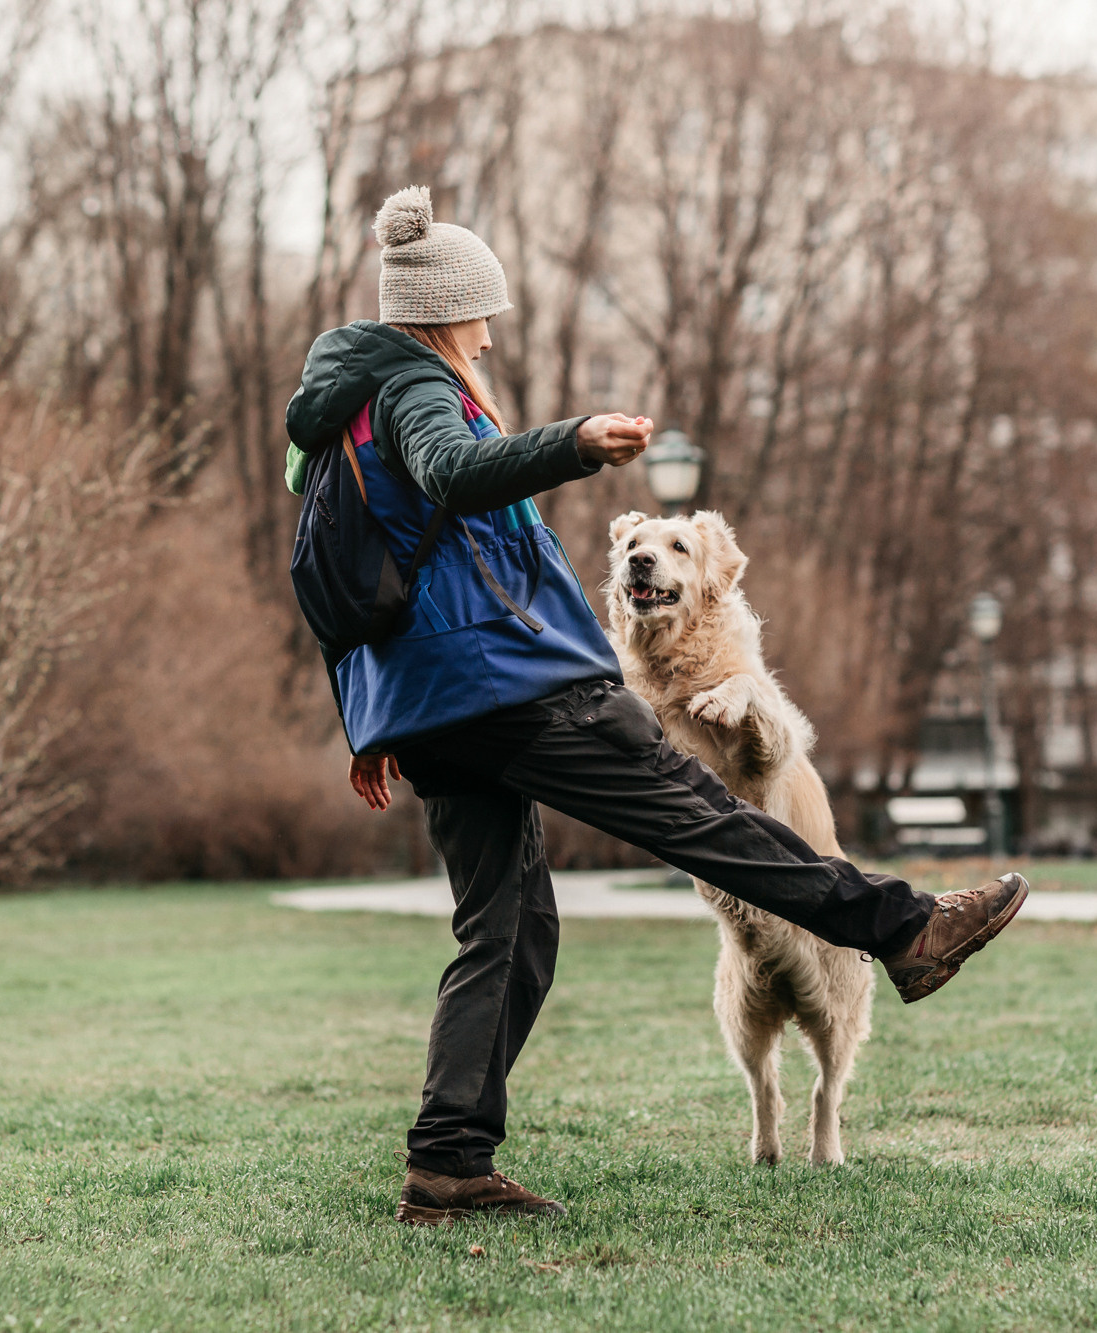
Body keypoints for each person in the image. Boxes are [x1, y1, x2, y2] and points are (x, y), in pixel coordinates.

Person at [284, 186, 1027, 1227]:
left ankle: (447, 1161)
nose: (488, 339)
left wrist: (367, 713)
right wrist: (575, 441)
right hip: (507, 682)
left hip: (428, 701)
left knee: (505, 925)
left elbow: (324, 566)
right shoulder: (414, 387)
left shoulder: (335, 416)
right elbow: (456, 476)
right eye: (481, 317)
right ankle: (905, 929)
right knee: (706, 818)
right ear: (445, 313)